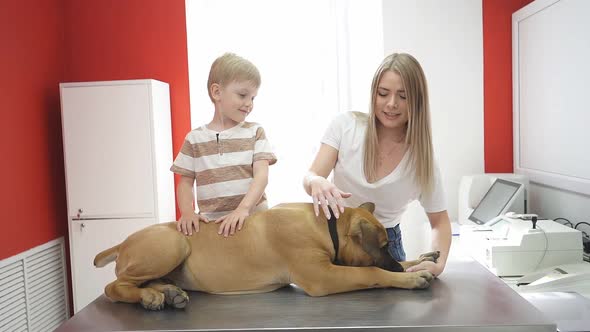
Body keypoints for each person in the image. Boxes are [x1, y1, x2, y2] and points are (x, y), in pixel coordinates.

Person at [302, 53, 451, 277]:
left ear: (417, 100)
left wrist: (438, 263)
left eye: (403, 96)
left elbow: (440, 222)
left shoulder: (422, 160)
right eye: (383, 94)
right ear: (374, 94)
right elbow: (312, 175)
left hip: (386, 249)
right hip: (335, 239)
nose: (391, 104)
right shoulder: (345, 126)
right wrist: (315, 181)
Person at [171, 53, 277, 237]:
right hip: (212, 226)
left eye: (253, 98)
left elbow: (262, 177)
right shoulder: (194, 139)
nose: (249, 104)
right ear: (217, 92)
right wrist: (187, 213)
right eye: (243, 95)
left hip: (252, 220)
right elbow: (185, 182)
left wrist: (243, 209)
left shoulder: (255, 132)